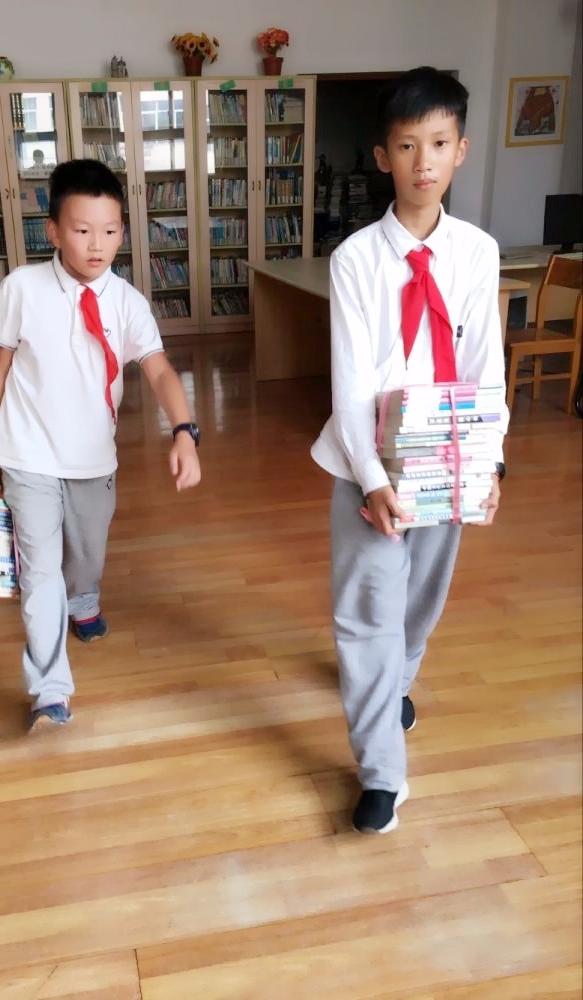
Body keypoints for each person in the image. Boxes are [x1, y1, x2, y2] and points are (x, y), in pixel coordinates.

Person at [311, 67, 508, 834]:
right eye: (405, 145)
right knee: (368, 611)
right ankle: (381, 773)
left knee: (420, 603)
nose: (423, 161)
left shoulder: (477, 253)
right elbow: (351, 383)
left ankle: (397, 683)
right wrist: (371, 478)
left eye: (438, 142)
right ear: (381, 156)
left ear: (461, 149)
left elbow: (485, 365)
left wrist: (489, 460)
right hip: (369, 464)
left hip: (448, 460)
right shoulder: (356, 260)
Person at [0, 158, 201, 732]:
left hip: (92, 459)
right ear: (53, 231)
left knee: (86, 555)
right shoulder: (22, 288)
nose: (96, 244)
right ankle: (49, 691)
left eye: (109, 230)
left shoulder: (127, 302)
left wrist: (185, 430)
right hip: (27, 453)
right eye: (81, 230)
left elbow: (158, 369)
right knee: (40, 570)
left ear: (123, 231)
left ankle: (84, 600)